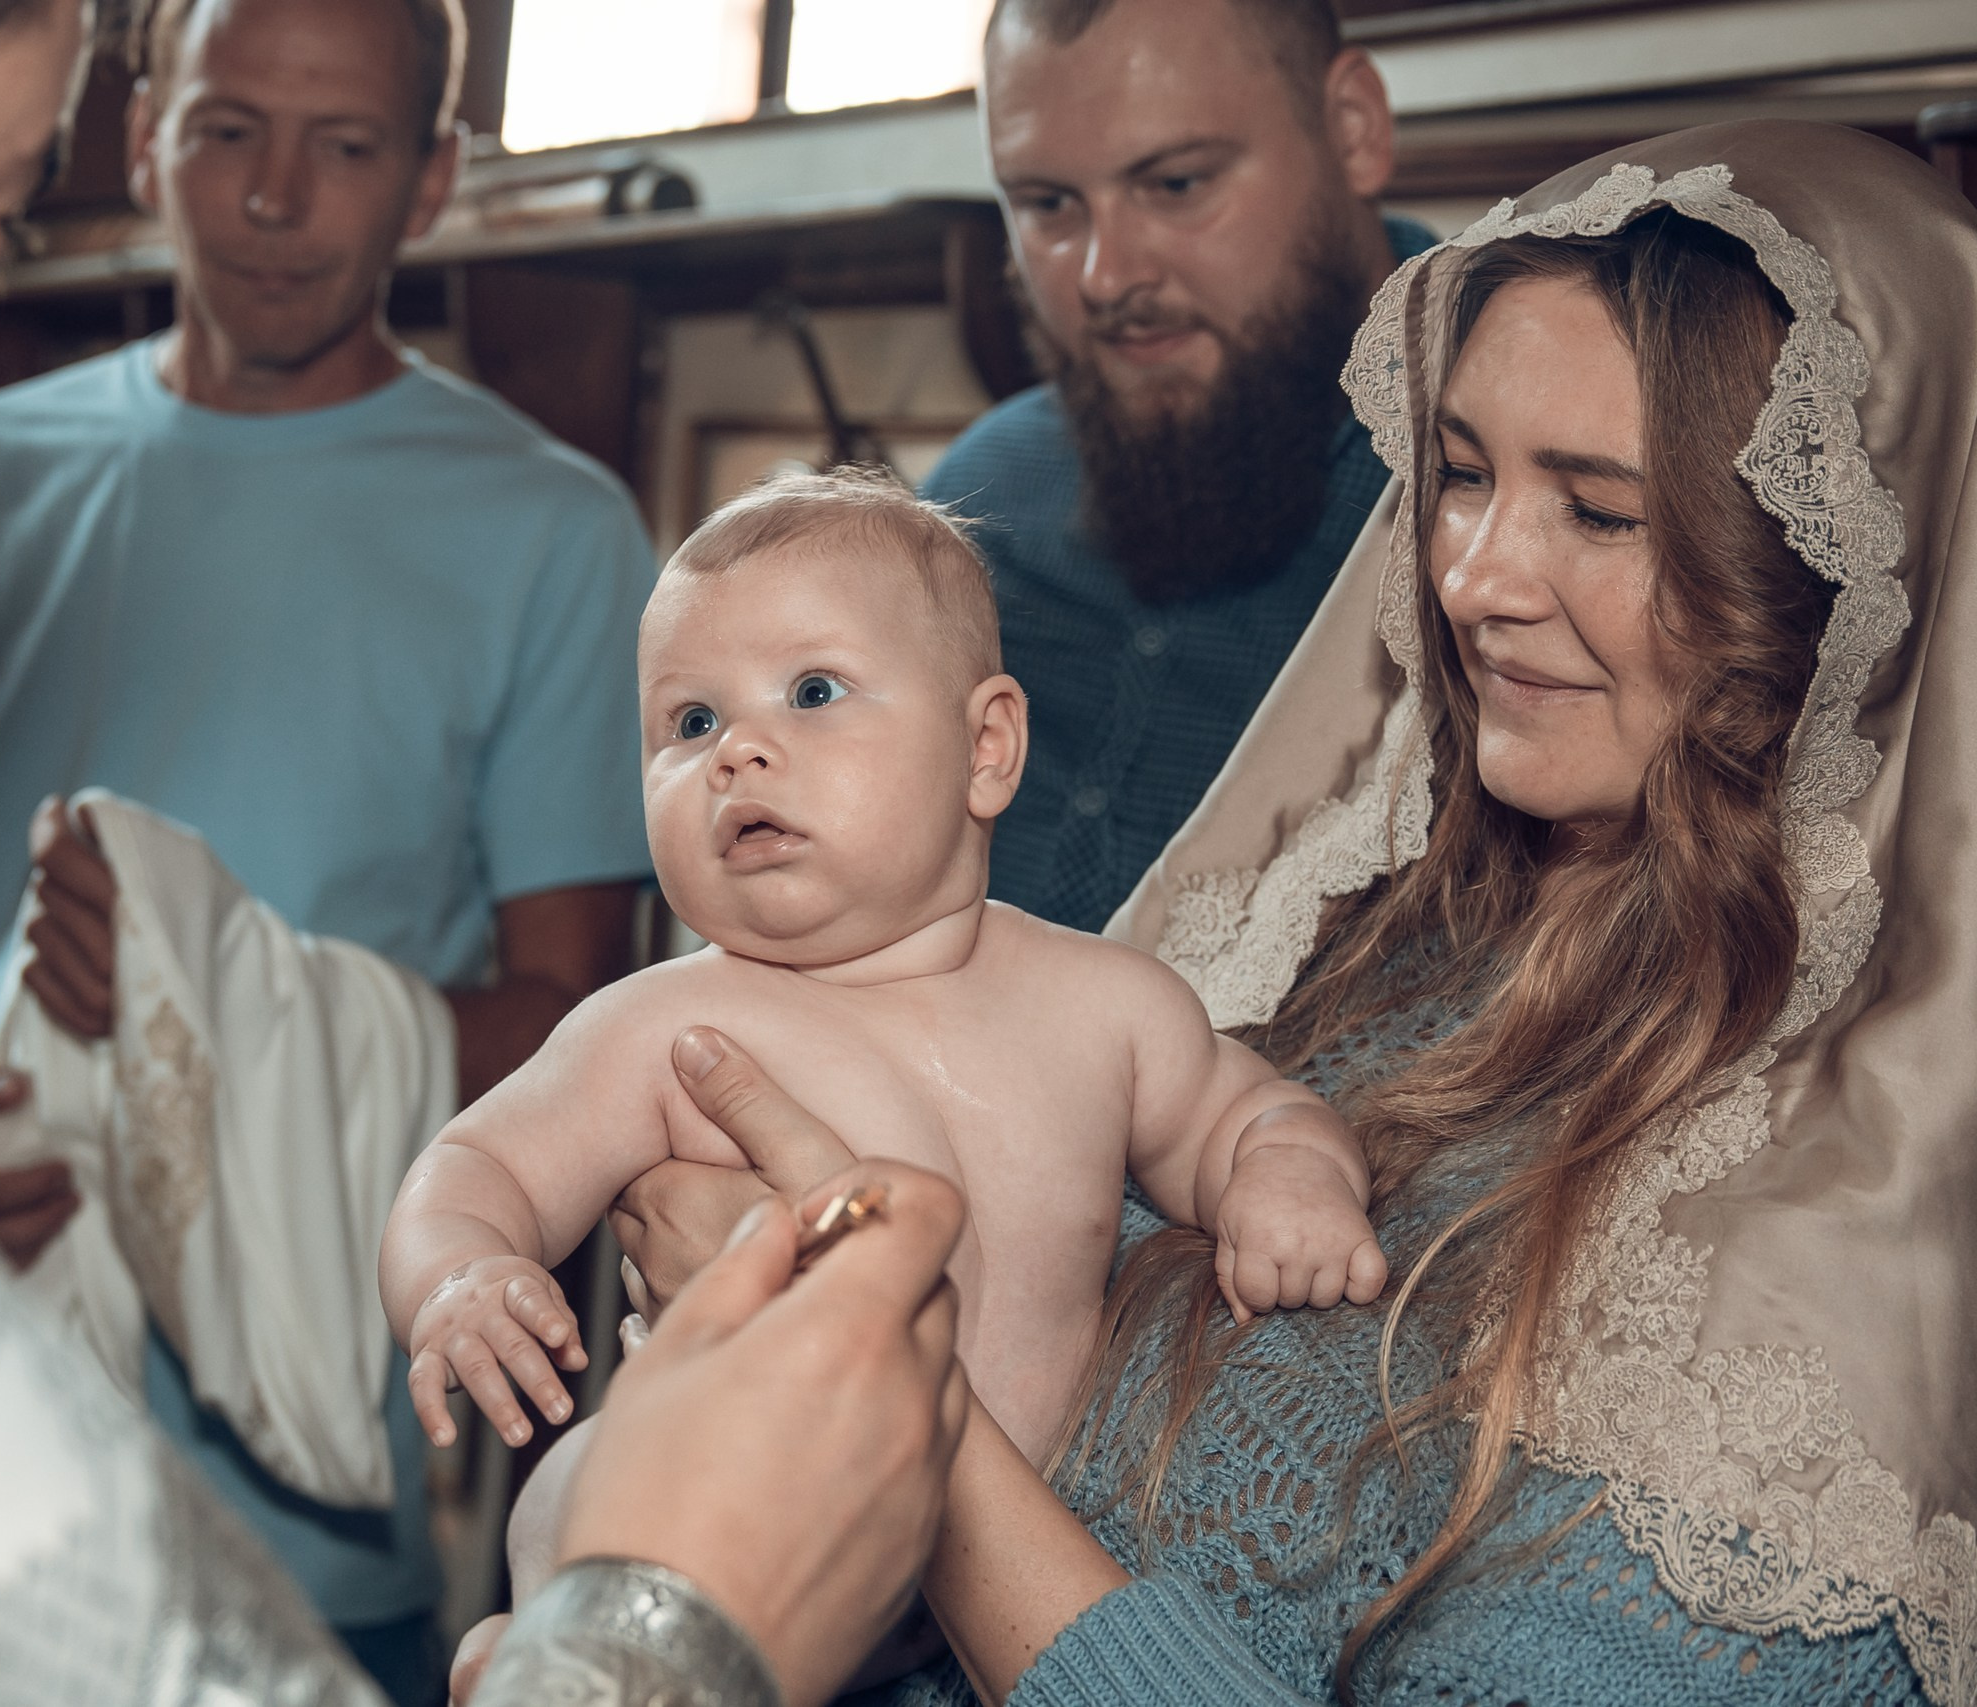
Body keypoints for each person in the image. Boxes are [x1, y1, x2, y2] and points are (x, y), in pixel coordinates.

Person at [533, 122, 1977, 1705]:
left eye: (1598, 509)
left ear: (1835, 574)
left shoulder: (1841, 1298)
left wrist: (887, 1382)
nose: (1476, 576)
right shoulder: (1363, 941)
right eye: (1462, 475)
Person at [0, 0, 659, 1688]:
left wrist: (218, 997)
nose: (273, 197)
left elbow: (570, 1022)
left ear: (434, 178)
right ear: (144, 128)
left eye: (346, 146)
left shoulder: (554, 535)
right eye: (230, 128)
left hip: (298, 1500)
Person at [381, 472, 1381, 1482]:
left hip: (1011, 1588)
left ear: (985, 749)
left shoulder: (1106, 1009)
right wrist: (461, 1273)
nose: (737, 752)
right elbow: (478, 1168)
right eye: (689, 723)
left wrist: (1286, 1179)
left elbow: (1251, 1116)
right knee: (562, 1501)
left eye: (811, 692)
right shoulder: (664, 1030)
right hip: (738, 1563)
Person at [919, 0, 1430, 934]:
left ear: (1353, 129)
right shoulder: (978, 494)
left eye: (1178, 184)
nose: (1106, 277)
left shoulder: (1511, 480)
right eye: (1048, 206)